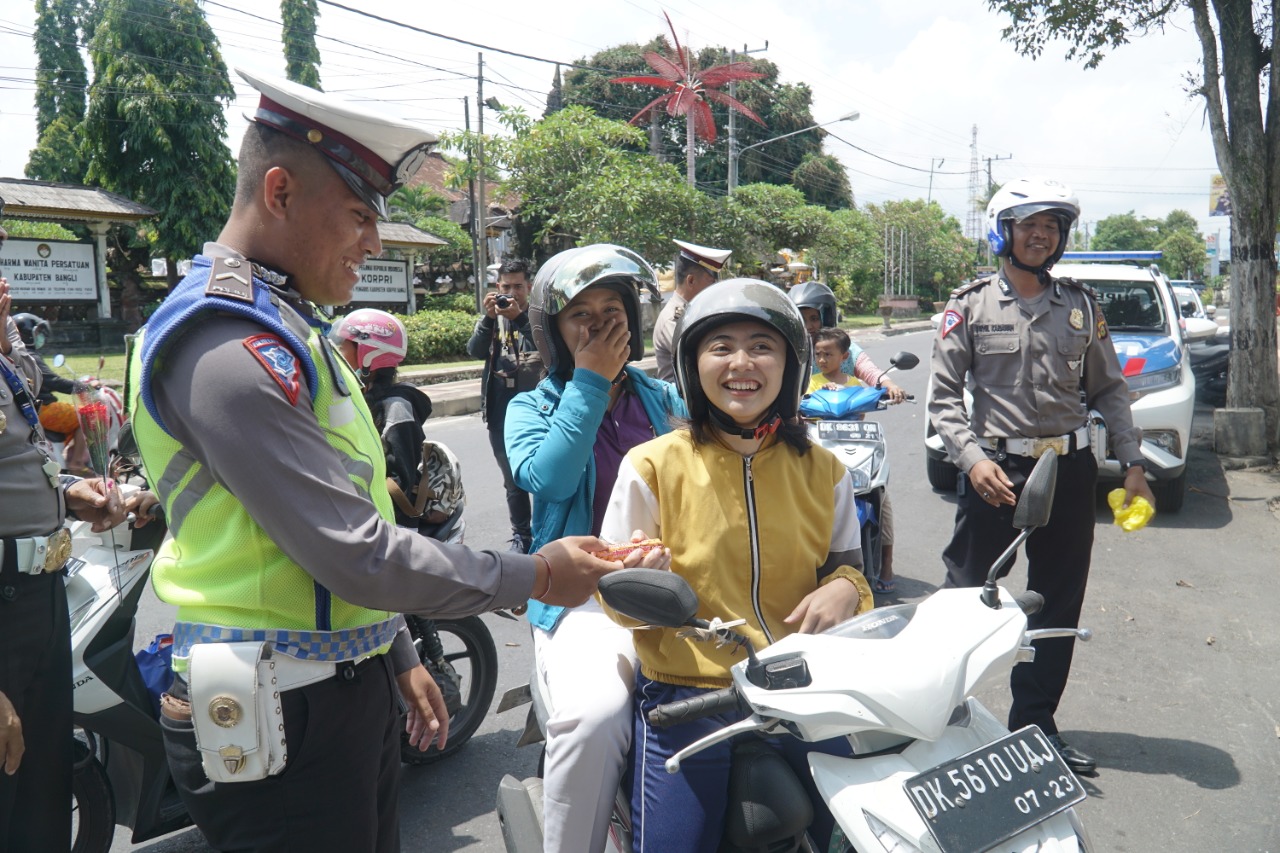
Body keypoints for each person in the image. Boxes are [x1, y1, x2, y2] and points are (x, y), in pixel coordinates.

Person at [124, 69, 617, 853]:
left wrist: (397, 650)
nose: (375, 242)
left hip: (329, 690)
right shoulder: (224, 344)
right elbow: (354, 552)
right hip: (277, 710)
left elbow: (348, 519)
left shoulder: (289, 327)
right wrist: (541, 574)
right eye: (358, 215)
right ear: (280, 192)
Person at [599, 278, 874, 853]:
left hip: (802, 693)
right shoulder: (651, 466)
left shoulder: (825, 471)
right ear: (693, 364)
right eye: (720, 346)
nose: (741, 363)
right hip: (689, 700)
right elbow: (613, 593)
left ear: (790, 365)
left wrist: (847, 589)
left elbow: (850, 569)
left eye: (761, 346)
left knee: (858, 835)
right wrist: (644, 585)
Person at [928, 176, 1156, 776]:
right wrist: (973, 460)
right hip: (994, 470)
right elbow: (945, 400)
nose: (1041, 235)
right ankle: (939, 718)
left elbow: (1110, 390)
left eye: (1052, 227)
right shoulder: (968, 305)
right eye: (1029, 224)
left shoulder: (1080, 306)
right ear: (1003, 232)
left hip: (1069, 468)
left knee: (1057, 599)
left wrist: (1133, 464)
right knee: (965, 592)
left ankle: (1033, 725)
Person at [504, 244, 686, 853]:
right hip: (582, 599)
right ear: (553, 329)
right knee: (597, 716)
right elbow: (550, 477)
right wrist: (590, 380)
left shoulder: (662, 399)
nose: (601, 324)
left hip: (673, 586)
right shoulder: (530, 405)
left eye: (612, 309)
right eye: (581, 314)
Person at [1, 209, 127, 853]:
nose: (4, 288)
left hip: (41, 595)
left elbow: (24, 460)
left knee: (42, 789)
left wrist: (74, 496)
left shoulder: (8, 363)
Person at [791, 280, 906, 594]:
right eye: (802, 317)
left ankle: (886, 562)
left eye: (814, 318)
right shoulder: (788, 346)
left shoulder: (845, 348)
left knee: (879, 493)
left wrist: (889, 385)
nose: (809, 325)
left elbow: (872, 372)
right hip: (808, 435)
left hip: (854, 438)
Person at [466, 257, 538, 552]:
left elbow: (548, 348)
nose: (513, 292)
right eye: (506, 286)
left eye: (518, 286)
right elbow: (474, 351)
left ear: (529, 287)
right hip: (499, 410)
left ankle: (550, 532)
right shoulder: (491, 319)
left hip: (536, 410)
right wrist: (487, 318)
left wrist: (520, 317)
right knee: (512, 480)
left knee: (544, 476)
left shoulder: (537, 315)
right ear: (498, 287)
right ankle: (522, 536)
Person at [652, 239, 731, 382]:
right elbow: (696, 359)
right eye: (711, 282)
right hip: (680, 401)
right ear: (691, 281)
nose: (716, 288)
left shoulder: (694, 313)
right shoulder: (674, 318)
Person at [11, 313, 77, 408]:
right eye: (38, 332)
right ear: (26, 334)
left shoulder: (14, 353)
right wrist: (86, 387)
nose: (41, 335)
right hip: (42, 409)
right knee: (87, 415)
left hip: (29, 407)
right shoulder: (29, 356)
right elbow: (54, 382)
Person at [807, 326, 863, 393]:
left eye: (827, 354)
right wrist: (822, 392)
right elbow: (808, 401)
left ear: (844, 356)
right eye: (817, 354)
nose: (821, 360)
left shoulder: (854, 383)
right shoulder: (812, 382)